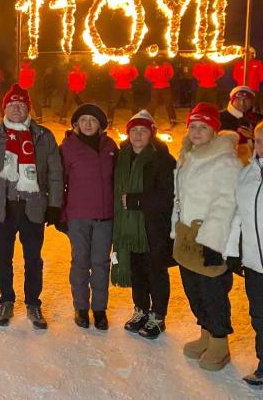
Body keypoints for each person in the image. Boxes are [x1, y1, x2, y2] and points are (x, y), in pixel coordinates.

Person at [0, 84, 63, 329]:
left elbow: (56, 172)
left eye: (21, 105)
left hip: (32, 206)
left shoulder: (43, 136)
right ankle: (6, 300)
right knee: (3, 258)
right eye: (12, 105)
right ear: (4, 108)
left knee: (33, 259)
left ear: (28, 109)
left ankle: (33, 303)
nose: (17, 109)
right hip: (3, 206)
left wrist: (55, 204)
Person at [172, 102, 241, 371]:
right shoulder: (187, 155)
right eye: (193, 126)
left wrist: (213, 244)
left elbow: (226, 204)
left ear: (214, 130)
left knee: (213, 293)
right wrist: (175, 231)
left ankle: (219, 342)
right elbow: (179, 198)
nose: (197, 132)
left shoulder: (226, 161)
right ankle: (205, 335)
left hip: (210, 238)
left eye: (203, 127)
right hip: (187, 236)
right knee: (193, 290)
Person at [112, 110, 176, 339]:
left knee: (155, 271)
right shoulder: (121, 158)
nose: (138, 135)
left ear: (152, 134)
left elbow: (169, 195)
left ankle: (158, 316)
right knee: (136, 270)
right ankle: (140, 310)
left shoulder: (162, 159)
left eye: (143, 130)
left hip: (153, 228)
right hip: (130, 228)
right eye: (134, 130)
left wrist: (136, 201)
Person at [60, 103, 117, 330]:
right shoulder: (68, 147)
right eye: (83, 120)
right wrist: (60, 212)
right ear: (76, 125)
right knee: (81, 262)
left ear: (100, 125)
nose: (88, 124)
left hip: (105, 216)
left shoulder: (110, 147)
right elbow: (60, 181)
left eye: (92, 120)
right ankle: (81, 308)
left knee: (101, 264)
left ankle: (99, 309)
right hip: (78, 216)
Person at [226, 122, 263, 385]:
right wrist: (232, 252)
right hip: (253, 262)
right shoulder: (248, 173)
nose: (262, 146)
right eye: (259, 140)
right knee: (259, 314)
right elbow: (236, 216)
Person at [220, 85, 261, 164]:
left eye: (246, 100)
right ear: (232, 101)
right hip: (226, 162)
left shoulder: (259, 119)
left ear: (252, 102)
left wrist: (254, 137)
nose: (242, 103)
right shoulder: (219, 117)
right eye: (238, 99)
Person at [144, 56, 177, 129]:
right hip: (155, 87)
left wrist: (165, 80)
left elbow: (171, 74)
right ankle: (148, 119)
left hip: (165, 87)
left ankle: (173, 120)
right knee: (153, 103)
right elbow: (146, 76)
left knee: (168, 103)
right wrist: (152, 81)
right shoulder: (150, 65)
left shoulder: (167, 65)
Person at [107, 62, 138, 127]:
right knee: (113, 104)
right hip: (117, 87)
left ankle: (136, 120)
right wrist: (118, 79)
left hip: (127, 87)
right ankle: (110, 121)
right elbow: (111, 74)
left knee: (132, 104)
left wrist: (129, 80)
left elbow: (135, 74)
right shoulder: (115, 65)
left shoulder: (131, 65)